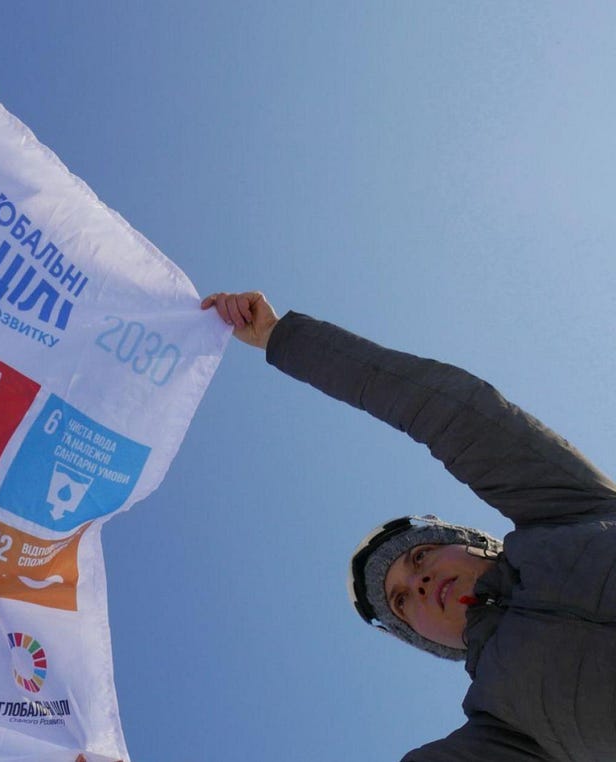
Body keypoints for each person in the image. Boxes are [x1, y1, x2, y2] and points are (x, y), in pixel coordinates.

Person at [200, 291, 616, 762]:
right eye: (400, 601)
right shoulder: (506, 728)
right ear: (424, 640)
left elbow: (448, 409)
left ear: (470, 542)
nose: (419, 584)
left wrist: (279, 337)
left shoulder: (568, 509)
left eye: (420, 556)